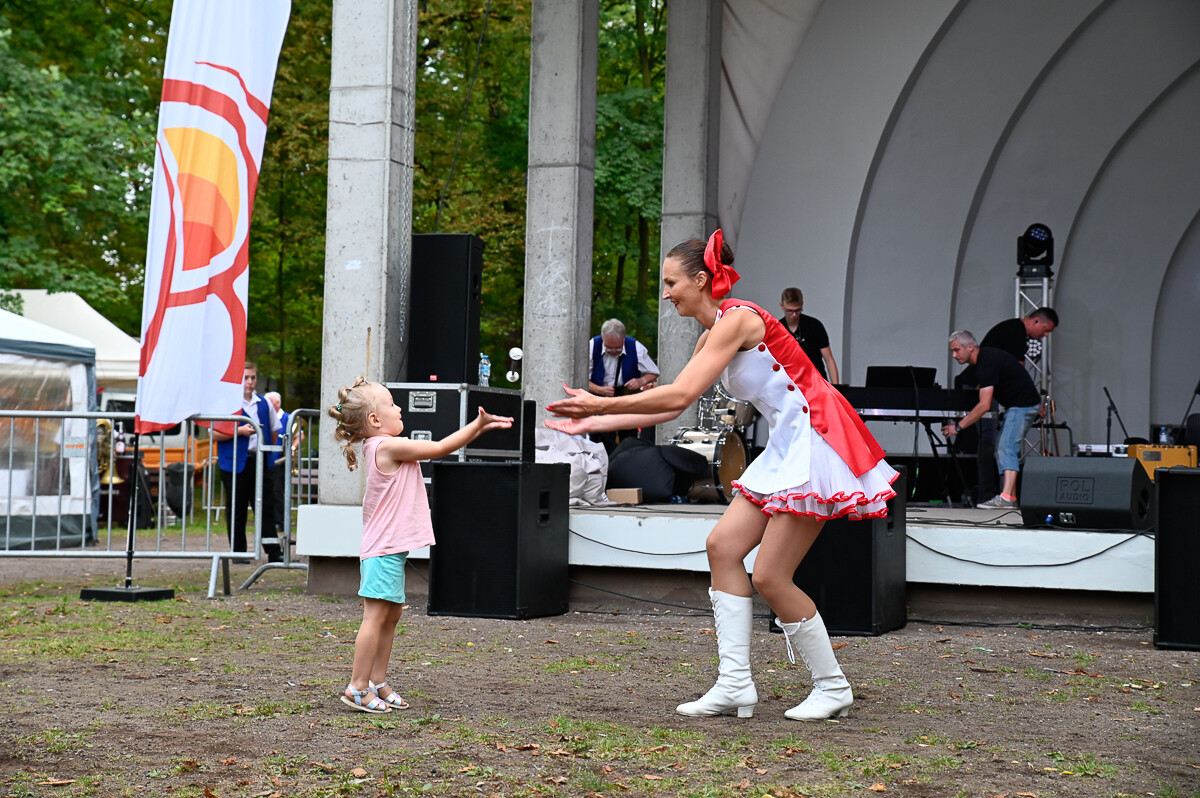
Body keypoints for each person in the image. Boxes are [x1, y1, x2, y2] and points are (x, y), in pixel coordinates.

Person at [547, 230, 897, 722]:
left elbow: (676, 398)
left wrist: (600, 402)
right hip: (787, 442)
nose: (665, 293)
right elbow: (668, 397)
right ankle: (735, 684)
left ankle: (833, 686)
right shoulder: (712, 334)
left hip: (815, 438)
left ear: (701, 279)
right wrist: (594, 421)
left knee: (772, 576)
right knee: (723, 547)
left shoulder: (740, 320)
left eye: (671, 283)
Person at [328, 377, 513, 713]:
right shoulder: (386, 446)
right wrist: (478, 425)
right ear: (374, 420)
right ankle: (357, 686)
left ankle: (377, 682)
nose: (399, 408)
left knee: (391, 614)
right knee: (375, 617)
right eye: (392, 404)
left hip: (390, 551)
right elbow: (441, 448)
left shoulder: (382, 445)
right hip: (382, 551)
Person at [941, 331, 1040, 511]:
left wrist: (958, 427)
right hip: (1018, 405)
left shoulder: (987, 362)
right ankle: (1010, 497)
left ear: (970, 347)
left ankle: (1007, 497)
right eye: (952, 351)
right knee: (1004, 447)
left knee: (1006, 446)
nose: (954, 355)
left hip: (1023, 405)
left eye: (956, 350)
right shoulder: (984, 361)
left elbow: (984, 405)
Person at [969, 308, 1058, 503]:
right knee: (997, 444)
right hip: (992, 392)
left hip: (1013, 400)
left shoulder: (1011, 330)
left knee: (1003, 445)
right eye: (1045, 330)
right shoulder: (1016, 332)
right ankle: (1001, 495)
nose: (1044, 336)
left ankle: (1005, 496)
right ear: (1035, 321)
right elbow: (1018, 372)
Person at [212, 363, 282, 562]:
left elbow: (274, 430)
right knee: (237, 508)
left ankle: (273, 552)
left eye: (252, 378)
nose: (250, 382)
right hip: (233, 463)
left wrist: (270, 455)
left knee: (265, 507)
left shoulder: (265, 403)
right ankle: (239, 552)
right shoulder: (227, 403)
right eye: (246, 378)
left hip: (259, 461)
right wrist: (240, 432)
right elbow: (214, 433)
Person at [586, 318, 660, 451]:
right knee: (601, 436)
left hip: (626, 396)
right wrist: (600, 390)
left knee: (628, 435)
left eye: (618, 348)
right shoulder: (593, 346)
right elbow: (582, 379)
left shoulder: (635, 346)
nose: (614, 351)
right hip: (599, 397)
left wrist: (640, 381)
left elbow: (654, 372)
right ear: (603, 338)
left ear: (624, 339)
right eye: (609, 348)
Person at [778, 287, 839, 384]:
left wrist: (836, 388)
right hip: (790, 385)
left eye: (797, 310)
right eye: (790, 311)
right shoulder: (777, 329)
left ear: (801, 305)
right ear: (781, 306)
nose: (794, 315)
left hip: (817, 382)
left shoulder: (814, 325)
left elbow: (829, 359)